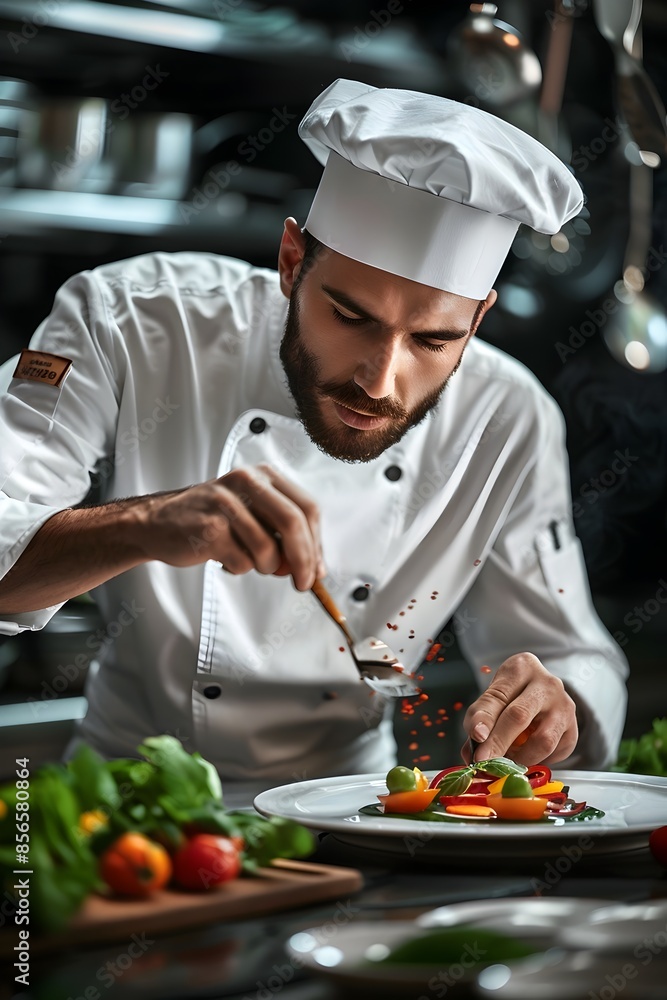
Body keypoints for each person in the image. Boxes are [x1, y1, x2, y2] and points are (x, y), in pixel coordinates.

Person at [0, 79, 627, 805]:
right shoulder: (131, 319)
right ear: (292, 262)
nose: (379, 380)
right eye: (350, 316)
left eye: (432, 338)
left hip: (359, 815)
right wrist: (149, 523)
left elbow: (570, 651)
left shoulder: (507, 415)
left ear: (478, 320)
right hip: (125, 807)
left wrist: (556, 705)